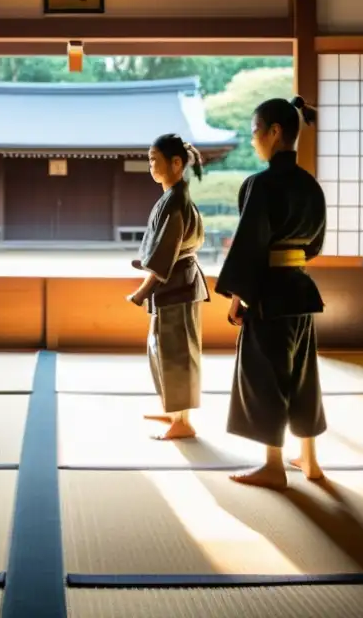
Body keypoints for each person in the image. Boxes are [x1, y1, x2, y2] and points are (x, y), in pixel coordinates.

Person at [215, 96, 327, 490]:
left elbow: (250, 245)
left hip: (268, 295)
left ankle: (274, 465)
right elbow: (314, 247)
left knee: (266, 376)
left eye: (255, 132)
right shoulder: (311, 186)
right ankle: (309, 461)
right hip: (300, 290)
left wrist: (237, 297)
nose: (253, 141)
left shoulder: (259, 185)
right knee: (302, 376)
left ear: (275, 132)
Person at [127, 134, 211, 441]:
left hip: (177, 285)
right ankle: (174, 411)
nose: (150, 165)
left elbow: (166, 255)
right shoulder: (172, 197)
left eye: (154, 159)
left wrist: (141, 291)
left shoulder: (176, 201)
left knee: (178, 353)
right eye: (149, 159)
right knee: (162, 349)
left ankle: (183, 421)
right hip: (174, 285)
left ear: (176, 163)